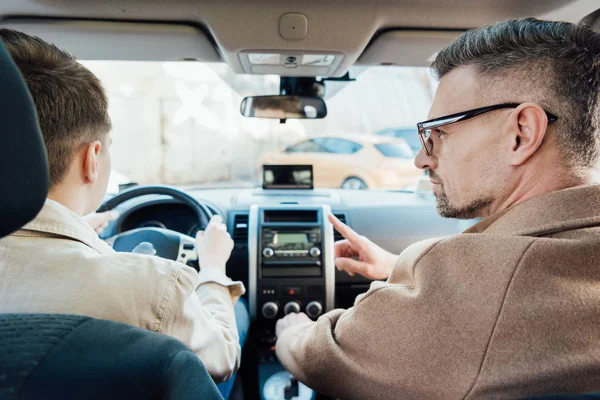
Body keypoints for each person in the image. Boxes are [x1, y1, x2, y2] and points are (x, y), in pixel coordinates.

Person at [275, 18, 600, 399]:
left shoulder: (479, 285)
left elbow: (324, 356)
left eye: (440, 132)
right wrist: (397, 268)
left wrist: (291, 331)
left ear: (521, 133)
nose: (420, 159)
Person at [0, 28, 246, 388]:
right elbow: (223, 358)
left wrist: (76, 228)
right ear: (93, 159)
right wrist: (212, 268)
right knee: (235, 313)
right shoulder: (150, 288)